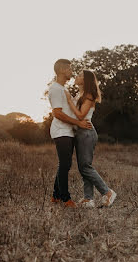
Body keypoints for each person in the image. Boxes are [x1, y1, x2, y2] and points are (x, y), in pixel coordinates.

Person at [65, 69, 117, 207]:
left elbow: (81, 115)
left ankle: (107, 192)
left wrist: (69, 101)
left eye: (80, 75)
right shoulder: (80, 94)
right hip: (80, 132)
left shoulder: (88, 95)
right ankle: (88, 199)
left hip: (86, 133)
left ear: (85, 80)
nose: (76, 76)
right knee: (84, 167)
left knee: (85, 167)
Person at [48, 59, 92, 207]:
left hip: (68, 131)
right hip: (61, 130)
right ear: (61, 70)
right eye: (69, 69)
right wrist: (78, 123)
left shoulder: (63, 89)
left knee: (64, 164)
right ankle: (66, 199)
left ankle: (55, 196)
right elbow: (57, 113)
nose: (71, 72)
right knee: (65, 164)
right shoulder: (55, 89)